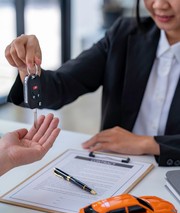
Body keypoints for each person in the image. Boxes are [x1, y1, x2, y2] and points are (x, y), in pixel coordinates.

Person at [5, 0, 180, 166]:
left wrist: (148, 143)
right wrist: (27, 68)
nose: (159, 5)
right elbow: (62, 85)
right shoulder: (124, 33)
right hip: (117, 167)